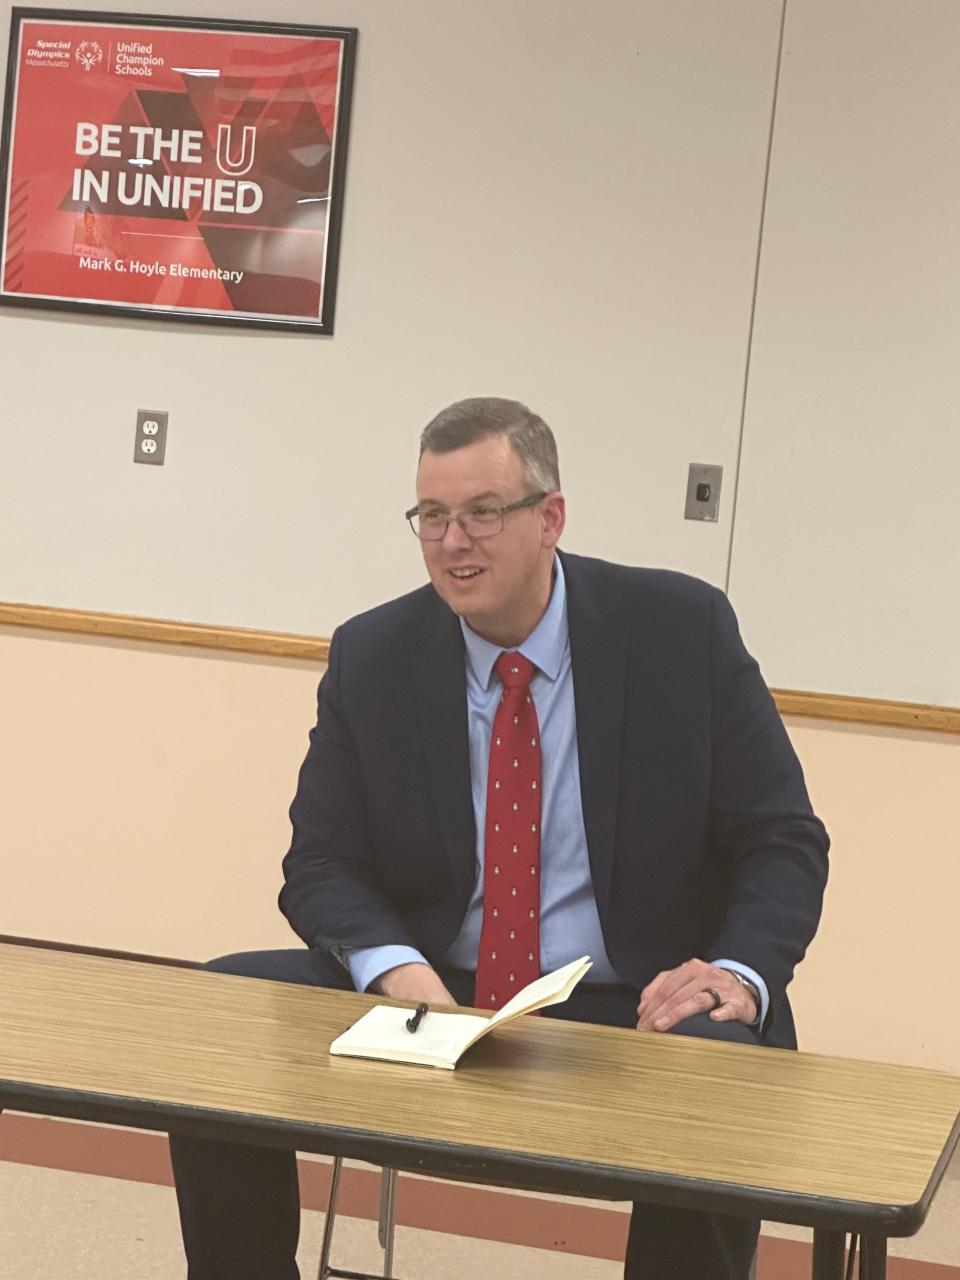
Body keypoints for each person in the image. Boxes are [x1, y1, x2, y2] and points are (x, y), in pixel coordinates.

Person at [169, 397, 829, 1280]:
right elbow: (319, 861)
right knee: (222, 1010)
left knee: (714, 1070)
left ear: (550, 518)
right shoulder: (375, 653)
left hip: (631, 995)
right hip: (436, 985)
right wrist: (395, 967)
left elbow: (784, 839)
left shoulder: (679, 629)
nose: (453, 542)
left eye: (483, 512)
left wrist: (736, 974)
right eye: (431, 517)